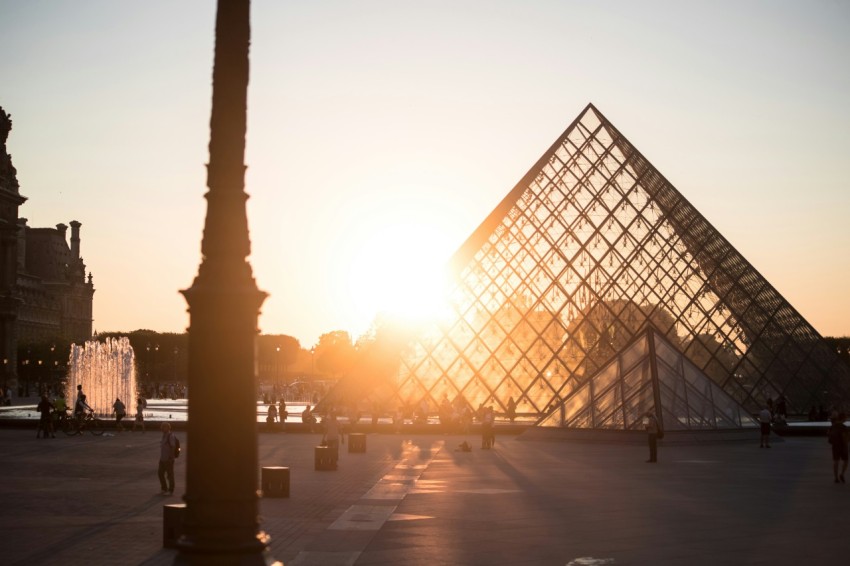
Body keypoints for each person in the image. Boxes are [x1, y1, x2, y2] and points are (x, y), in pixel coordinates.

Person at [827, 412, 848, 483]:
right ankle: (842, 474)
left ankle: (836, 478)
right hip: (842, 446)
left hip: (835, 446)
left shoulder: (833, 426)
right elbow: (844, 437)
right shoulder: (843, 427)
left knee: (836, 461)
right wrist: (846, 445)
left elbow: (828, 433)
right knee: (846, 461)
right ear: (843, 418)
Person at [158, 422, 178, 495]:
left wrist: (171, 457)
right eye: (162, 427)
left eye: (163, 427)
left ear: (168, 428)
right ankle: (164, 488)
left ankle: (171, 490)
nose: (162, 429)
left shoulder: (170, 436)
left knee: (170, 475)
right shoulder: (164, 435)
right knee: (160, 473)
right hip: (162, 459)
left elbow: (173, 447)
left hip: (168, 459)